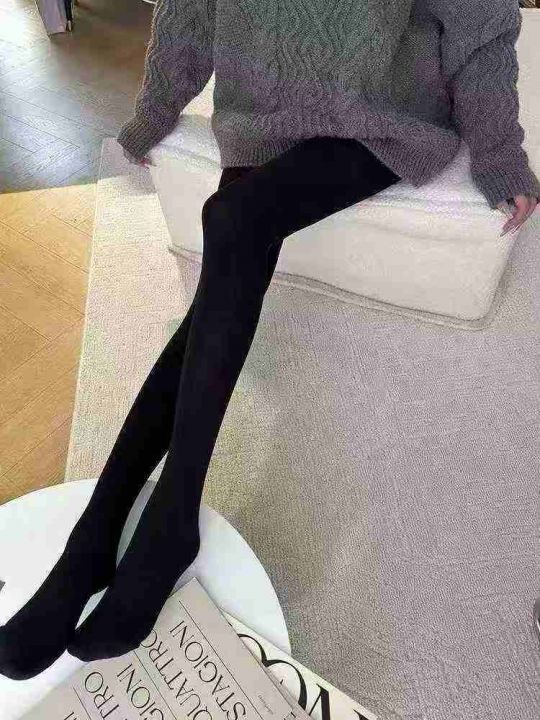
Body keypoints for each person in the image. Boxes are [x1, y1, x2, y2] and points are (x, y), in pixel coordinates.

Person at [0, 0, 538, 681]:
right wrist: (155, 112)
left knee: (233, 218)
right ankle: (105, 533)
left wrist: (499, 152)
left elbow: (480, 25)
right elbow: (188, 13)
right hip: (262, 115)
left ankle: (143, 524)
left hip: (384, 114)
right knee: (228, 254)